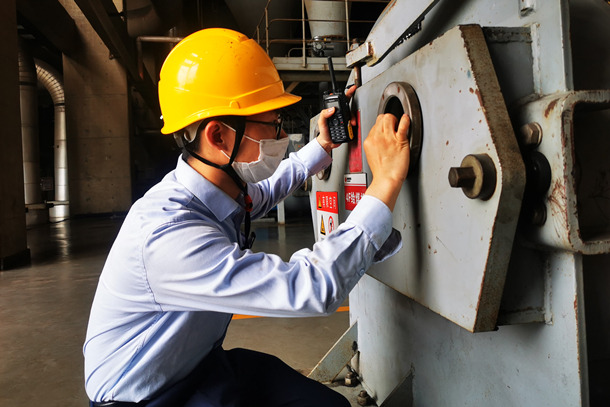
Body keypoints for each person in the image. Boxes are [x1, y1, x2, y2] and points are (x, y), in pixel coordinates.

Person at [84, 28, 410, 407]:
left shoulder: (212, 191)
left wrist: (323, 145)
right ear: (219, 136)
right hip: (152, 398)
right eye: (272, 123)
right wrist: (386, 181)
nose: (281, 134)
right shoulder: (167, 234)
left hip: (196, 365)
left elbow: (265, 191)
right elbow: (310, 288)